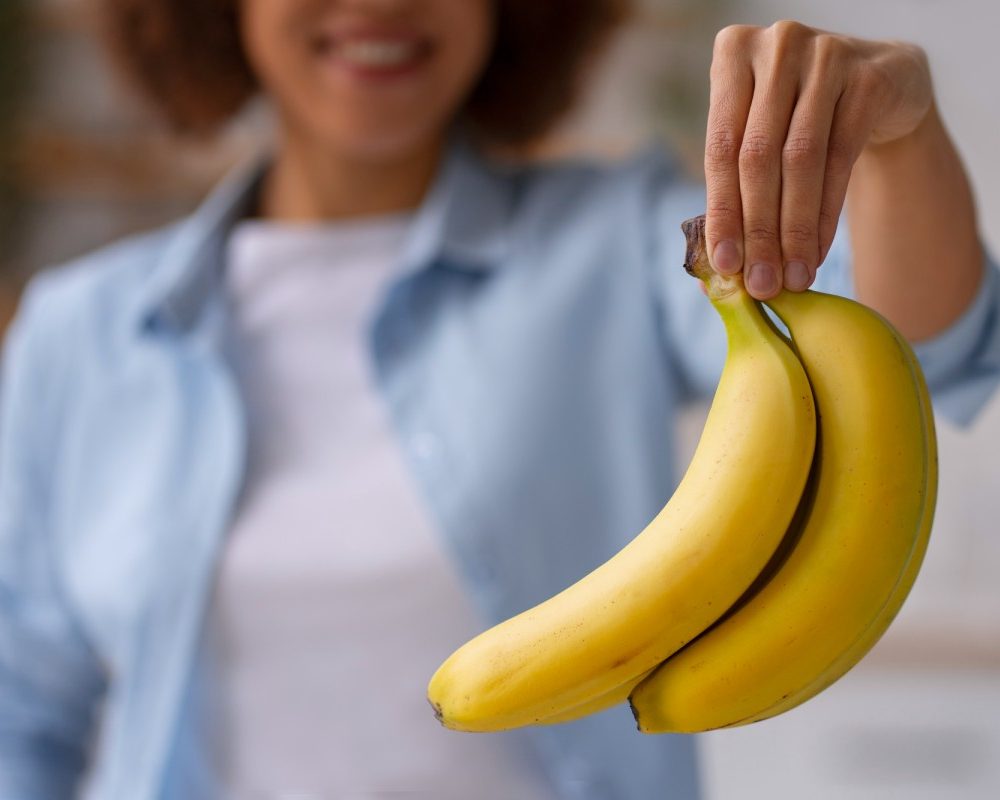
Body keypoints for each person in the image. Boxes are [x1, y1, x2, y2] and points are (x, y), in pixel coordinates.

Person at [0, 1, 997, 798]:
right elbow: (23, 714)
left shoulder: (625, 241)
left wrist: (898, 136)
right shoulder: (77, 332)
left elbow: (921, 345)